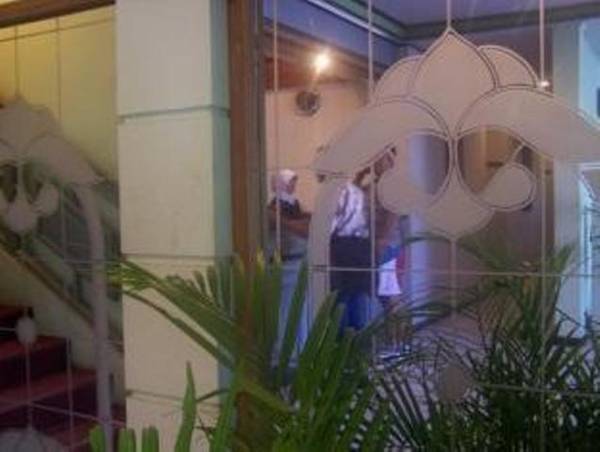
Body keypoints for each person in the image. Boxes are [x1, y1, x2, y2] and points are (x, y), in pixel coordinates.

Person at [268, 169, 310, 357]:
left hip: (298, 264)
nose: (294, 185)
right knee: (285, 313)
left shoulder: (293, 205)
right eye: (291, 181)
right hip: (285, 266)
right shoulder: (277, 206)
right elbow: (300, 228)